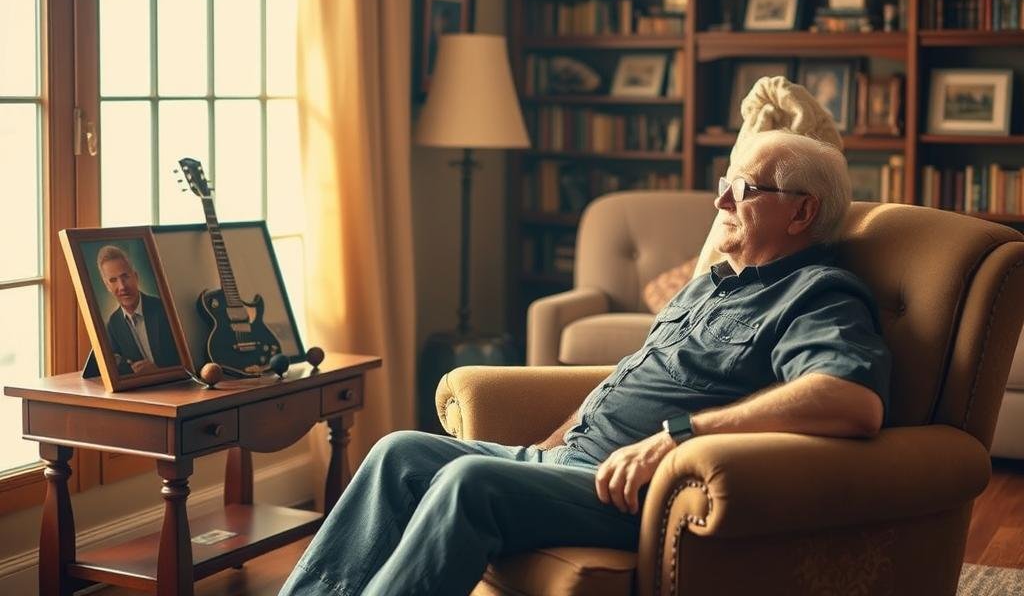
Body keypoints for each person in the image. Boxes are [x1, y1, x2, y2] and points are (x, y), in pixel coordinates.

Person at [279, 131, 891, 596]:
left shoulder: (817, 294)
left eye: (744, 189)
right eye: (726, 181)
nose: (720, 199)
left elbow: (851, 401)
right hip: (567, 459)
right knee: (399, 451)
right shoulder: (712, 284)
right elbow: (638, 375)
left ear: (802, 212)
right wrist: (557, 436)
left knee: (470, 484)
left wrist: (677, 439)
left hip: (634, 490)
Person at [97, 245, 180, 375]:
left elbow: (186, 360)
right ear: (107, 286)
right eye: (113, 280)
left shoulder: (165, 309)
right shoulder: (113, 324)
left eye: (125, 277)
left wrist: (158, 372)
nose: (122, 286)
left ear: (136, 277)